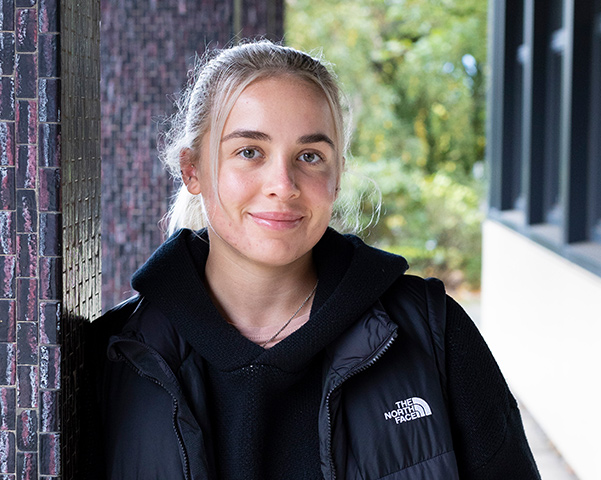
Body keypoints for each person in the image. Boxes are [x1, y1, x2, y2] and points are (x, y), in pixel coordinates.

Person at [93, 40, 540, 479]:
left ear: (338, 176)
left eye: (310, 156)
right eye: (249, 152)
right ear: (192, 170)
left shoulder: (432, 333)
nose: (283, 184)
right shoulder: (117, 354)